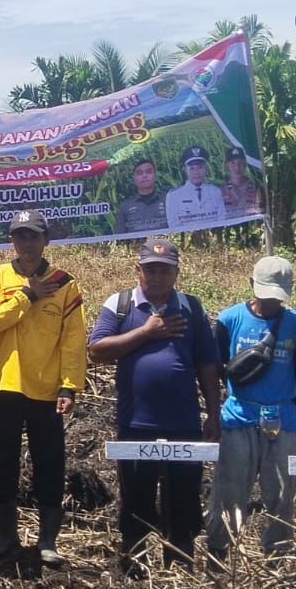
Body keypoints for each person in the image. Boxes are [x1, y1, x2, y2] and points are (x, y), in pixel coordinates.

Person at [86, 238, 222, 571]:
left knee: (184, 497)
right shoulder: (119, 304)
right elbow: (97, 350)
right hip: (136, 423)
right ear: (138, 271)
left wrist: (214, 414)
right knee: (136, 496)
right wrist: (147, 332)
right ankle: (134, 566)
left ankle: (179, 566)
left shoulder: (192, 307)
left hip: (184, 422)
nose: (156, 277)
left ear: (176, 273)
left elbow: (207, 364)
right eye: (150, 270)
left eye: (164, 270)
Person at [0, 211, 85, 566]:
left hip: (47, 390)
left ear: (46, 240)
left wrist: (69, 387)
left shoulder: (65, 283)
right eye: (20, 237)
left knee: (49, 464)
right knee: (3, 463)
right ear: (11, 240)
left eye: (33, 236)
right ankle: (4, 537)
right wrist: (27, 295)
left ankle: (47, 541)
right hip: (6, 385)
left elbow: (73, 340)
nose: (27, 244)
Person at [206, 257, 296, 563]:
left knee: (281, 493)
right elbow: (217, 368)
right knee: (230, 489)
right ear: (252, 285)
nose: (269, 302)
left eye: (276, 297)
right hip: (238, 417)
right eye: (264, 294)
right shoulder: (229, 320)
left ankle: (277, 555)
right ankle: (219, 552)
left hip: (282, 419)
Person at [164, 146, 224, 232]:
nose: (196, 172)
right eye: (192, 168)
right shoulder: (174, 195)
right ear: (185, 170)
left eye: (200, 167)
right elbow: (173, 225)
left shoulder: (215, 191)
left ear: (205, 169)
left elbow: (221, 219)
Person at [115, 156, 168, 235]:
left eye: (148, 172)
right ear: (134, 178)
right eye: (139, 173)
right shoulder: (125, 206)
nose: (144, 176)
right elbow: (119, 236)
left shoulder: (168, 200)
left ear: (155, 175)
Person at [220, 146, 262, 218]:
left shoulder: (255, 188)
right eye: (233, 163)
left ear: (245, 164)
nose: (237, 167)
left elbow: (261, 211)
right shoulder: (222, 190)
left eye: (240, 163)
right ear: (227, 165)